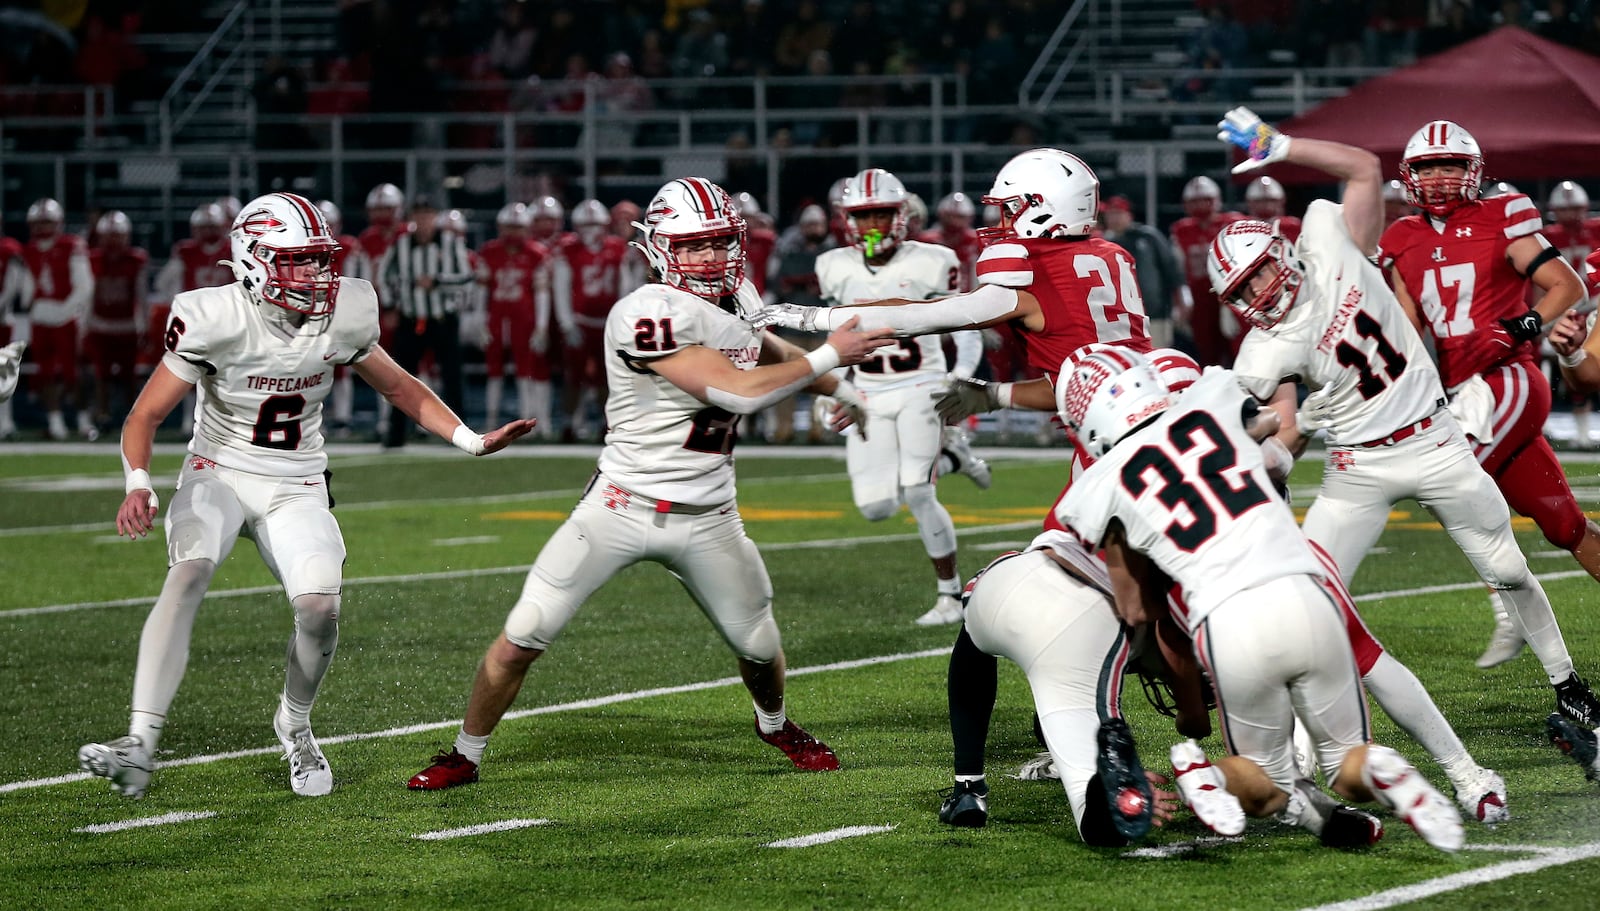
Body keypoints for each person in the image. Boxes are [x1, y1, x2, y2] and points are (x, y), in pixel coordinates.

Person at [406, 177, 891, 790]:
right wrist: (828, 358)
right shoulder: (645, 312)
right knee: (522, 637)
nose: (710, 258)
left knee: (759, 644)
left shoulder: (736, 295)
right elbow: (729, 391)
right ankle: (464, 754)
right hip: (621, 505)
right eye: (692, 246)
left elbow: (757, 344)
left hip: (711, 512)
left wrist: (838, 388)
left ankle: (774, 723)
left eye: (718, 242)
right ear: (660, 248)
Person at [77, 192, 536, 799]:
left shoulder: (345, 311)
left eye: (321, 260)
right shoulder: (212, 316)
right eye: (300, 261)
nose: (319, 276)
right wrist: (138, 483)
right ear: (253, 261)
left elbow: (402, 389)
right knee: (187, 574)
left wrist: (472, 440)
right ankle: (139, 743)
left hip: (296, 479)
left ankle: (294, 724)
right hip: (218, 468)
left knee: (320, 607)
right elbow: (145, 415)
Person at [1208, 106, 1573, 818]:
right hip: (1358, 469)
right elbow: (1269, 422)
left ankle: (1566, 681)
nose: (1257, 294)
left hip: (1436, 441)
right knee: (1314, 608)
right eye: (1239, 292)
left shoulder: (1326, 234)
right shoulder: (1263, 349)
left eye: (1257, 275)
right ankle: (1373, 760)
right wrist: (1269, 453)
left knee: (1507, 568)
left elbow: (1362, 167)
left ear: (1282, 250)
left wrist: (1280, 146)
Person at [1054, 347, 1465, 853]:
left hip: (1226, 620)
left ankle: (1212, 779)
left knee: (1263, 786)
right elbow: (1273, 438)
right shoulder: (1210, 400)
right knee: (1346, 763)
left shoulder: (1097, 486)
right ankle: (1380, 770)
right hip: (1304, 591)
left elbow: (1137, 607)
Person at [1379, 120, 1594, 672]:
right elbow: (1405, 328)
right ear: (1410, 176)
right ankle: (1512, 593)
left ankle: (1506, 604)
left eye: (1451, 165)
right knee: (1563, 524)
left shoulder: (1502, 218)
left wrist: (1523, 325)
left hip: (1509, 378)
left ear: (1473, 171)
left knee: (1450, 481)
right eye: (1428, 167)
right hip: (1458, 389)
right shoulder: (1401, 238)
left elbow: (1570, 285)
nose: (1440, 178)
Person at [815, 168, 987, 627]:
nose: (871, 225)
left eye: (881, 214)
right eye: (862, 215)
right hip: (868, 391)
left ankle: (949, 596)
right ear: (847, 219)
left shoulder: (933, 260)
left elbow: (965, 327)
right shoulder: (832, 266)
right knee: (876, 508)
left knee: (916, 489)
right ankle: (954, 457)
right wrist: (832, 390)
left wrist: (961, 378)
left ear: (902, 214)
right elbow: (839, 339)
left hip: (920, 385)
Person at [378, 197, 476, 448]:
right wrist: (390, 304)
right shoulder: (401, 244)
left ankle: (458, 436)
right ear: (412, 218)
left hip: (442, 319)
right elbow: (382, 274)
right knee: (400, 379)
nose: (423, 221)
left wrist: (437, 281)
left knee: (452, 377)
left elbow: (466, 277)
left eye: (428, 215)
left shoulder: (450, 243)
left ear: (435, 217)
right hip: (411, 320)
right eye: (419, 215)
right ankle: (396, 433)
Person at [20, 198, 95, 440]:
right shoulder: (30, 249)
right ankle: (56, 423)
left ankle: (84, 421)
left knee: (73, 373)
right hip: (42, 316)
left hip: (67, 316)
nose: (42, 228)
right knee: (46, 373)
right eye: (38, 223)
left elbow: (84, 285)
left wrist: (66, 311)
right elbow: (30, 282)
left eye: (47, 222)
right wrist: (30, 305)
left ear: (59, 223)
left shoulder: (71, 245)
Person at [553, 199, 628, 441]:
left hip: (607, 322)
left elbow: (625, 285)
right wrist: (567, 323)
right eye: (585, 225)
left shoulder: (618, 248)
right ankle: (568, 424)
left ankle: (606, 423)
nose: (590, 230)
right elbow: (561, 287)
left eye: (594, 224)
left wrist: (620, 318)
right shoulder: (569, 250)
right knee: (574, 378)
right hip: (580, 321)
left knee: (607, 379)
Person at [479, 202, 555, 432]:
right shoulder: (489, 251)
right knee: (494, 370)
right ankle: (491, 419)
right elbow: (482, 290)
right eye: (509, 227)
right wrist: (480, 319)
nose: (513, 233)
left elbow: (542, 292)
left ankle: (525, 421)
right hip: (497, 316)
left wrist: (541, 326)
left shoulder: (537, 253)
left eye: (518, 227)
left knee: (526, 369)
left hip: (524, 317)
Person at [1169, 175, 1244, 366]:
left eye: (1205, 200)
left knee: (1237, 344)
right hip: (1199, 295)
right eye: (1195, 201)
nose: (1201, 205)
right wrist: (1181, 299)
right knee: (1207, 349)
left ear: (1216, 200)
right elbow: (1177, 268)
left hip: (1230, 293)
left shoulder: (1232, 222)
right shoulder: (1182, 229)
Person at [86, 211, 148, 432]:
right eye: (110, 236)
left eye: (118, 235)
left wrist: (145, 326)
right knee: (101, 375)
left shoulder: (135, 260)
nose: (114, 241)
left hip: (126, 326)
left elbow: (142, 296)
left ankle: (131, 418)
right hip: (100, 324)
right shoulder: (93, 258)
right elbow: (88, 294)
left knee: (129, 377)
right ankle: (103, 415)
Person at [1101, 195, 1184, 349]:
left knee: (1157, 357)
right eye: (1110, 214)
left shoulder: (1148, 237)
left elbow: (1171, 270)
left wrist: (1181, 302)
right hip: (1121, 318)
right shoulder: (1104, 243)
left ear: (1129, 215)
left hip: (1155, 313)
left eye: (1118, 213)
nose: (1114, 219)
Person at [314, 200, 366, 436]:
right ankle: (315, 418)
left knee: (343, 365)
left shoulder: (347, 246)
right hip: (310, 312)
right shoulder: (300, 249)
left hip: (339, 309)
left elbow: (357, 281)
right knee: (312, 366)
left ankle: (343, 417)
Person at [1243, 175, 1301, 242]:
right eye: (1260, 200)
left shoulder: (1291, 226)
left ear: (1282, 201)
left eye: (1272, 200)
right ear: (1250, 202)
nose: (1266, 204)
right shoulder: (1241, 224)